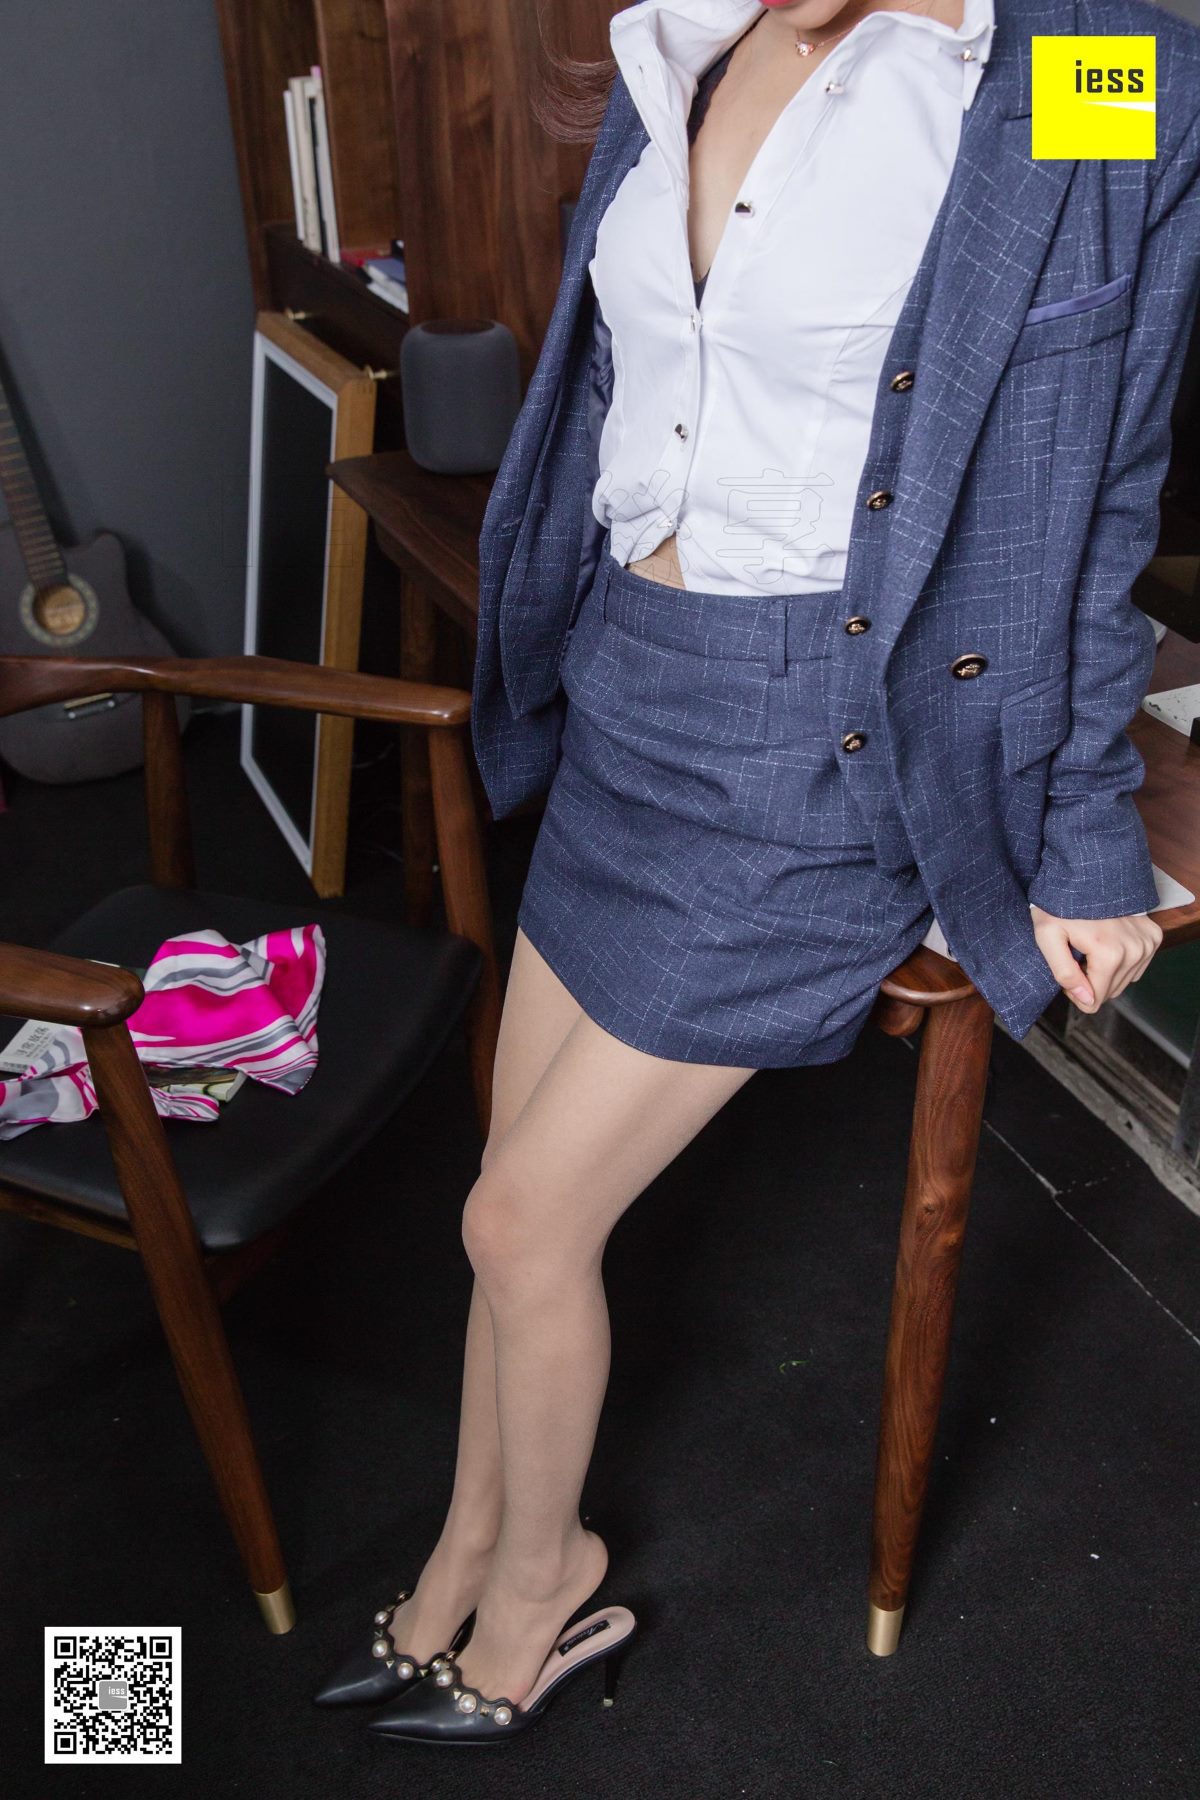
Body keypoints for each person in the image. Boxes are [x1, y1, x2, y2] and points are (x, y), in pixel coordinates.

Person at [315, 0, 1200, 1745]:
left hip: (828, 732)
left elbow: (1091, 485)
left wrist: (1089, 836)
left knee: (520, 1218)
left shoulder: (1090, 74)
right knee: (511, 1181)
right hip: (631, 685)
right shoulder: (689, 41)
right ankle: (467, 1543)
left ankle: (543, 1582)